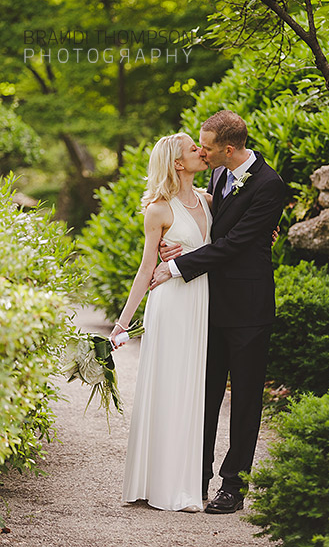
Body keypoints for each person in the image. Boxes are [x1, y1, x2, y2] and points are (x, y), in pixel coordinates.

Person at [149, 110, 286, 514]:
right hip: (207, 303)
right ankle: (196, 475)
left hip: (249, 310)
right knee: (204, 395)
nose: (200, 152)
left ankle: (233, 486)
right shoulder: (216, 175)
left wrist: (176, 266)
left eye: (206, 147)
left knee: (245, 401)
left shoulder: (269, 184)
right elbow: (207, 225)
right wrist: (171, 244)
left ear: (228, 149)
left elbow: (237, 243)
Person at [112, 132, 212, 512]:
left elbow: (230, 240)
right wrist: (122, 324)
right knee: (169, 387)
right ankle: (162, 487)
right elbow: (146, 269)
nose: (201, 151)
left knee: (191, 390)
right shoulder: (158, 209)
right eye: (193, 149)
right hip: (170, 306)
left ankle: (180, 483)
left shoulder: (208, 200)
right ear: (177, 163)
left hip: (200, 303)